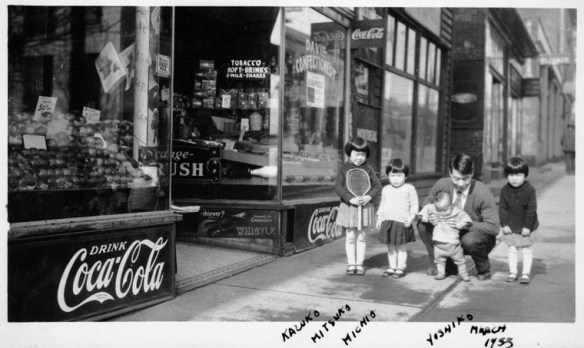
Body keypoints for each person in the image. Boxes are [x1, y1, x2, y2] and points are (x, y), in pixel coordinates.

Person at [418, 153, 499, 280]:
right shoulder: (442, 184)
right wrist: (429, 216)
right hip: (448, 235)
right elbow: (425, 205)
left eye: (465, 178)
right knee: (422, 225)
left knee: (470, 240)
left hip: (474, 235)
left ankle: (483, 268)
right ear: (450, 173)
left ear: (472, 173)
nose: (461, 183)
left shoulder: (483, 192)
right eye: (456, 178)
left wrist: (467, 224)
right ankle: (440, 265)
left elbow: (494, 228)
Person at [335, 137, 382, 276]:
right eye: (356, 154)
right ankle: (351, 264)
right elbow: (338, 187)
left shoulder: (368, 169)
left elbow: (377, 186)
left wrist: (368, 197)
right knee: (350, 237)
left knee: (361, 237)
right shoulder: (344, 168)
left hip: (365, 207)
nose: (359, 157)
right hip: (349, 207)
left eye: (362, 154)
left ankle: (359, 264)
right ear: (349, 153)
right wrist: (350, 199)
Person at [375, 159, 418, 279]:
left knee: (401, 247)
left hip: (402, 222)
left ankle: (401, 267)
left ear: (406, 176)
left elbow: (414, 204)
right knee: (391, 247)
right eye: (393, 175)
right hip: (388, 221)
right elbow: (382, 205)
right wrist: (379, 218)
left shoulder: (409, 188)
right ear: (388, 175)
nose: (396, 179)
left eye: (399, 176)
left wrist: (411, 218)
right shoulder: (386, 189)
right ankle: (392, 266)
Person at [499, 156, 539, 284]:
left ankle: (526, 273)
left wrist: (527, 227)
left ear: (525, 175)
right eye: (510, 175)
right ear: (506, 175)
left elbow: (531, 210)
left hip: (527, 225)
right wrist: (504, 224)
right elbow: (503, 208)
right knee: (512, 249)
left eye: (518, 175)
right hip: (511, 225)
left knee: (526, 249)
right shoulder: (505, 190)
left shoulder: (529, 190)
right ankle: (513, 272)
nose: (514, 178)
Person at [418, 191, 472, 282]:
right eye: (439, 210)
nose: (442, 213)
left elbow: (466, 220)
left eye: (445, 210)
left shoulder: (456, 211)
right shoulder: (433, 208)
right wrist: (427, 218)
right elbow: (424, 211)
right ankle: (441, 273)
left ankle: (463, 274)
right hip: (439, 245)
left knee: (460, 261)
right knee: (439, 260)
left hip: (453, 245)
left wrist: (459, 224)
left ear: (451, 205)